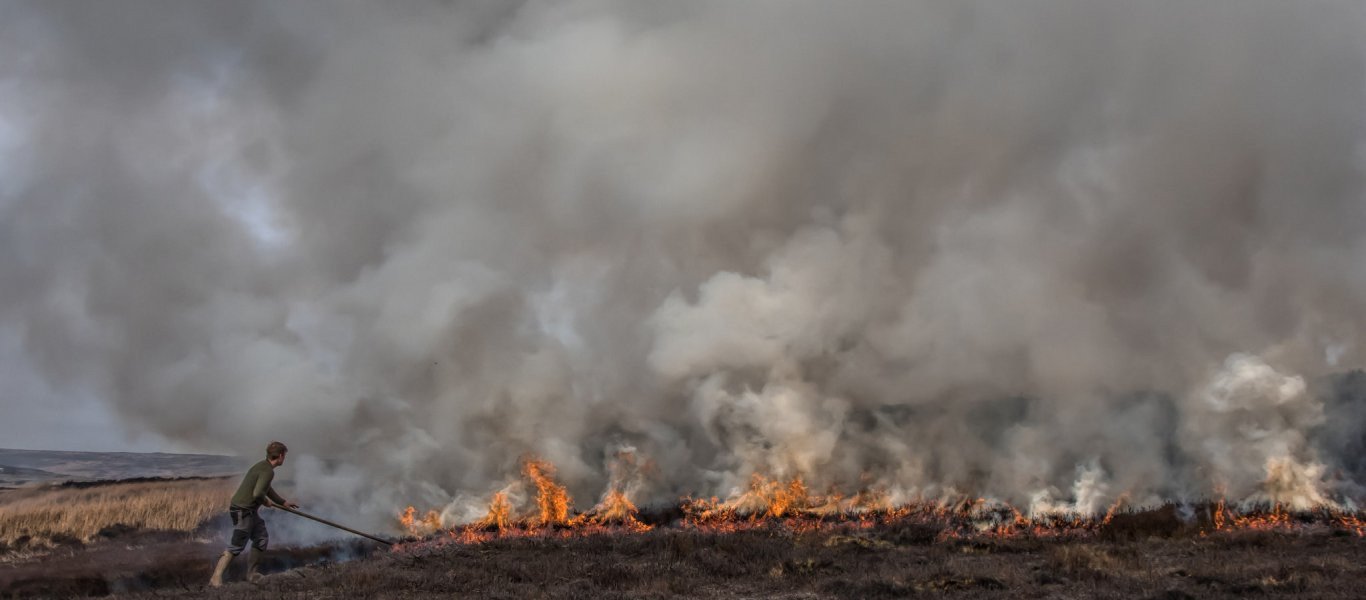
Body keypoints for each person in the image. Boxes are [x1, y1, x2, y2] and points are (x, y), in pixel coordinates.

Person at [209, 441, 300, 587]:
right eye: (285, 456)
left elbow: (266, 489)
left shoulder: (263, 467)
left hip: (249, 510)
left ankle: (252, 575)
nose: (285, 459)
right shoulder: (267, 470)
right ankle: (215, 578)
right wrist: (265, 502)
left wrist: (283, 502)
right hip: (242, 510)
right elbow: (258, 493)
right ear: (281, 456)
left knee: (261, 538)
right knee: (237, 544)